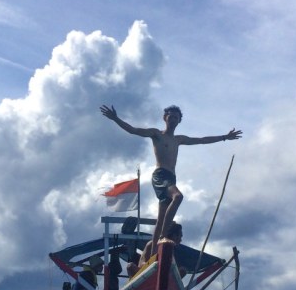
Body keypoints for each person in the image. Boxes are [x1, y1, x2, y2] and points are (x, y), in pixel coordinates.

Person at [100, 104, 241, 256]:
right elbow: (134, 130)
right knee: (178, 196)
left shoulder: (179, 139)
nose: (173, 119)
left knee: (160, 220)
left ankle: (151, 257)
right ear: (164, 118)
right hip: (161, 175)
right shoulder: (156, 134)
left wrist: (224, 137)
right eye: (170, 116)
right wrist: (115, 119)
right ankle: (163, 236)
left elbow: (201, 140)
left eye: (176, 117)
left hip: (171, 177)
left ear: (179, 121)